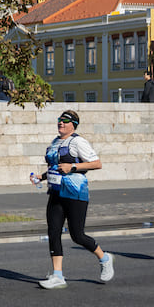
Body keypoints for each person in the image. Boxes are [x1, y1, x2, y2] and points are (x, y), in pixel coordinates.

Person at [35, 109, 115, 289]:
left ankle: (105, 258)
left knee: (77, 235)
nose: (60, 123)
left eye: (65, 121)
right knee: (53, 232)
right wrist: (41, 177)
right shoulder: (55, 142)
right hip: (56, 192)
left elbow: (97, 163)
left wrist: (73, 167)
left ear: (74, 125)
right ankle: (57, 276)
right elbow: (56, 167)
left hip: (75, 193)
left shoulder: (78, 141)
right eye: (59, 120)